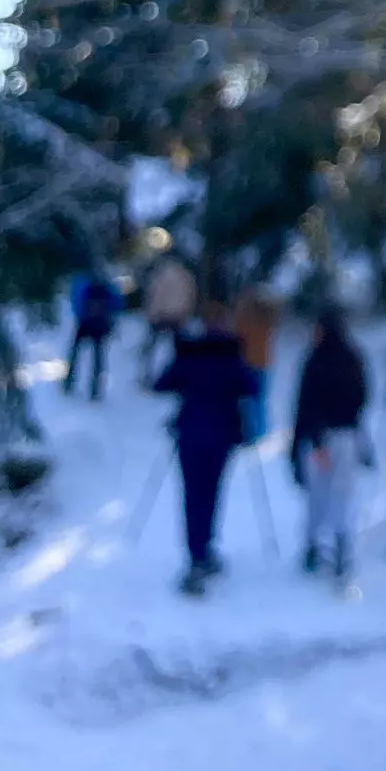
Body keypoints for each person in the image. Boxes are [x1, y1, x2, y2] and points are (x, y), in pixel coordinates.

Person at [154, 305, 261, 595]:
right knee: (212, 492)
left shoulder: (191, 354)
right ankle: (204, 550)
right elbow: (252, 387)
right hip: (222, 436)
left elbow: (162, 383)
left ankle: (195, 556)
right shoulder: (230, 357)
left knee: (192, 494)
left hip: (189, 434)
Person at [289, 307, 370, 581]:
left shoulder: (315, 360)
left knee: (318, 494)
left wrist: (310, 438)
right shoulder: (353, 357)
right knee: (342, 493)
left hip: (318, 439)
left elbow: (305, 404)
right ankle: (341, 543)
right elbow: (362, 397)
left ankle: (313, 544)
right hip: (346, 435)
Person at [139, 240, 197, 387]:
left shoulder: (160, 274)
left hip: (160, 316)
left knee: (151, 347)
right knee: (180, 349)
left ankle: (147, 376)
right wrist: (186, 312)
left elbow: (155, 295)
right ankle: (181, 377)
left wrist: (151, 314)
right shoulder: (185, 275)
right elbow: (191, 294)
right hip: (178, 316)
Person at [64, 265, 124, 401]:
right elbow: (118, 303)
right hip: (100, 325)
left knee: (75, 354)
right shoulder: (108, 284)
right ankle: (95, 390)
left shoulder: (83, 280)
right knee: (98, 357)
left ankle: (69, 384)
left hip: (84, 324)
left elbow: (76, 301)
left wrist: (81, 316)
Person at [234, 285, 282, 438]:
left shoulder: (246, 320)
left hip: (249, 364)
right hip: (263, 364)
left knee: (248, 401)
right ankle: (259, 431)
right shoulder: (268, 320)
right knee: (259, 400)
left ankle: (251, 432)